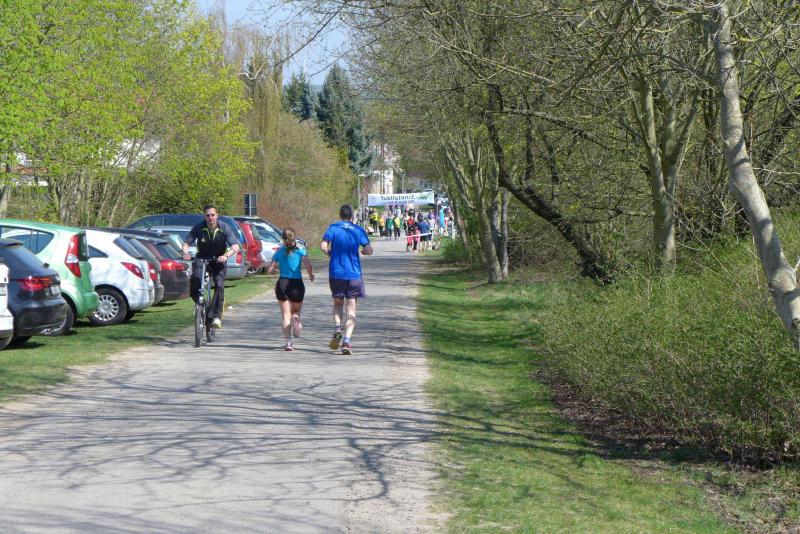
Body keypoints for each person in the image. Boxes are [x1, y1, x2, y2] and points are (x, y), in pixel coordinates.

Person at [321, 204, 373, 355]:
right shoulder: (358, 230)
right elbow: (369, 250)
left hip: (336, 273)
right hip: (353, 274)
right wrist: (364, 251)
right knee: (351, 308)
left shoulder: (333, 228)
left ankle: (338, 328)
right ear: (352, 216)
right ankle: (346, 342)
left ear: (340, 215)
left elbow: (323, 246)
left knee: (338, 303)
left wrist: (330, 253)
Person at [182, 204, 241, 329]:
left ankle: (216, 316)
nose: (210, 217)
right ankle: (200, 303)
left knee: (219, 285)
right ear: (205, 216)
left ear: (217, 215)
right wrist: (185, 252)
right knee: (195, 280)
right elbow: (186, 243)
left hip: (219, 259)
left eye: (213, 215)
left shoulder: (224, 227)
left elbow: (235, 246)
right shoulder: (199, 227)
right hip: (202, 258)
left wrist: (226, 255)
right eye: (208, 215)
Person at [267, 228, 314, 351]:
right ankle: (296, 318)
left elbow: (270, 269)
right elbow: (308, 266)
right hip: (297, 284)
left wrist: (277, 270)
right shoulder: (301, 251)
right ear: (294, 237)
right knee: (295, 311)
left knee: (285, 315)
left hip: (282, 283)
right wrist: (311, 275)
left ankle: (288, 343)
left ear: (283, 239)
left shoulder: (279, 251)